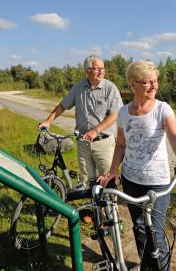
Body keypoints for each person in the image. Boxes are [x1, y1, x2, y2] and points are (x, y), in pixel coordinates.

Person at [98, 60, 176, 270]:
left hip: (157, 183)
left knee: (156, 234)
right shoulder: (123, 113)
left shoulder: (162, 109)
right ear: (133, 85)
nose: (154, 86)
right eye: (147, 82)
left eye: (155, 81)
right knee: (140, 227)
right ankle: (146, 265)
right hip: (131, 180)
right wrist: (113, 171)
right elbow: (121, 145)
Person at [38, 55, 123, 189]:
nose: (101, 71)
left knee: (108, 181)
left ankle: (112, 209)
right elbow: (62, 106)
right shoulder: (78, 88)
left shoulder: (110, 88)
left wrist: (95, 131)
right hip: (83, 143)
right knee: (87, 182)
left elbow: (115, 115)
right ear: (87, 71)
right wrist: (48, 121)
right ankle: (95, 210)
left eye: (103, 68)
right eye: (97, 69)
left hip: (103, 142)